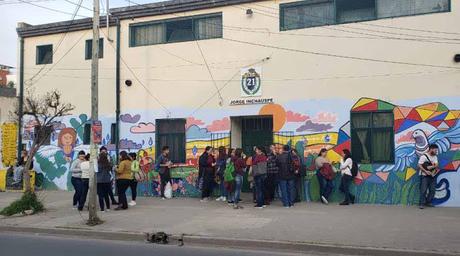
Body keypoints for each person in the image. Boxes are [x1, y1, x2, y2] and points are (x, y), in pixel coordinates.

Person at [418, 144, 439, 209]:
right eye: (435, 150)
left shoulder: (435, 157)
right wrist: (426, 171)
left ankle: (428, 202)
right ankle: (422, 203)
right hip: (424, 176)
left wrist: (432, 168)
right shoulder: (424, 156)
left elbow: (436, 165)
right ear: (431, 149)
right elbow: (419, 165)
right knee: (423, 190)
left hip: (432, 176)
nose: (436, 152)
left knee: (432, 190)